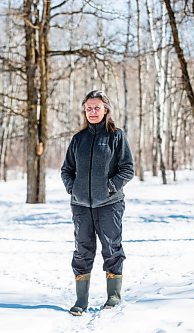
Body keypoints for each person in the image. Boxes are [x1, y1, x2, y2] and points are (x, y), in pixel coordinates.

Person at [61, 90, 134, 316]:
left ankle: (113, 296)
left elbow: (127, 169)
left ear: (106, 110)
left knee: (112, 248)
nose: (93, 112)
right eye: (89, 108)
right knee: (82, 250)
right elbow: (66, 170)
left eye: (97, 108)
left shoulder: (116, 136)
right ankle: (81, 299)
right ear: (84, 110)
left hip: (110, 204)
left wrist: (110, 187)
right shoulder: (78, 139)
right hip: (81, 206)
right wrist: (74, 189)